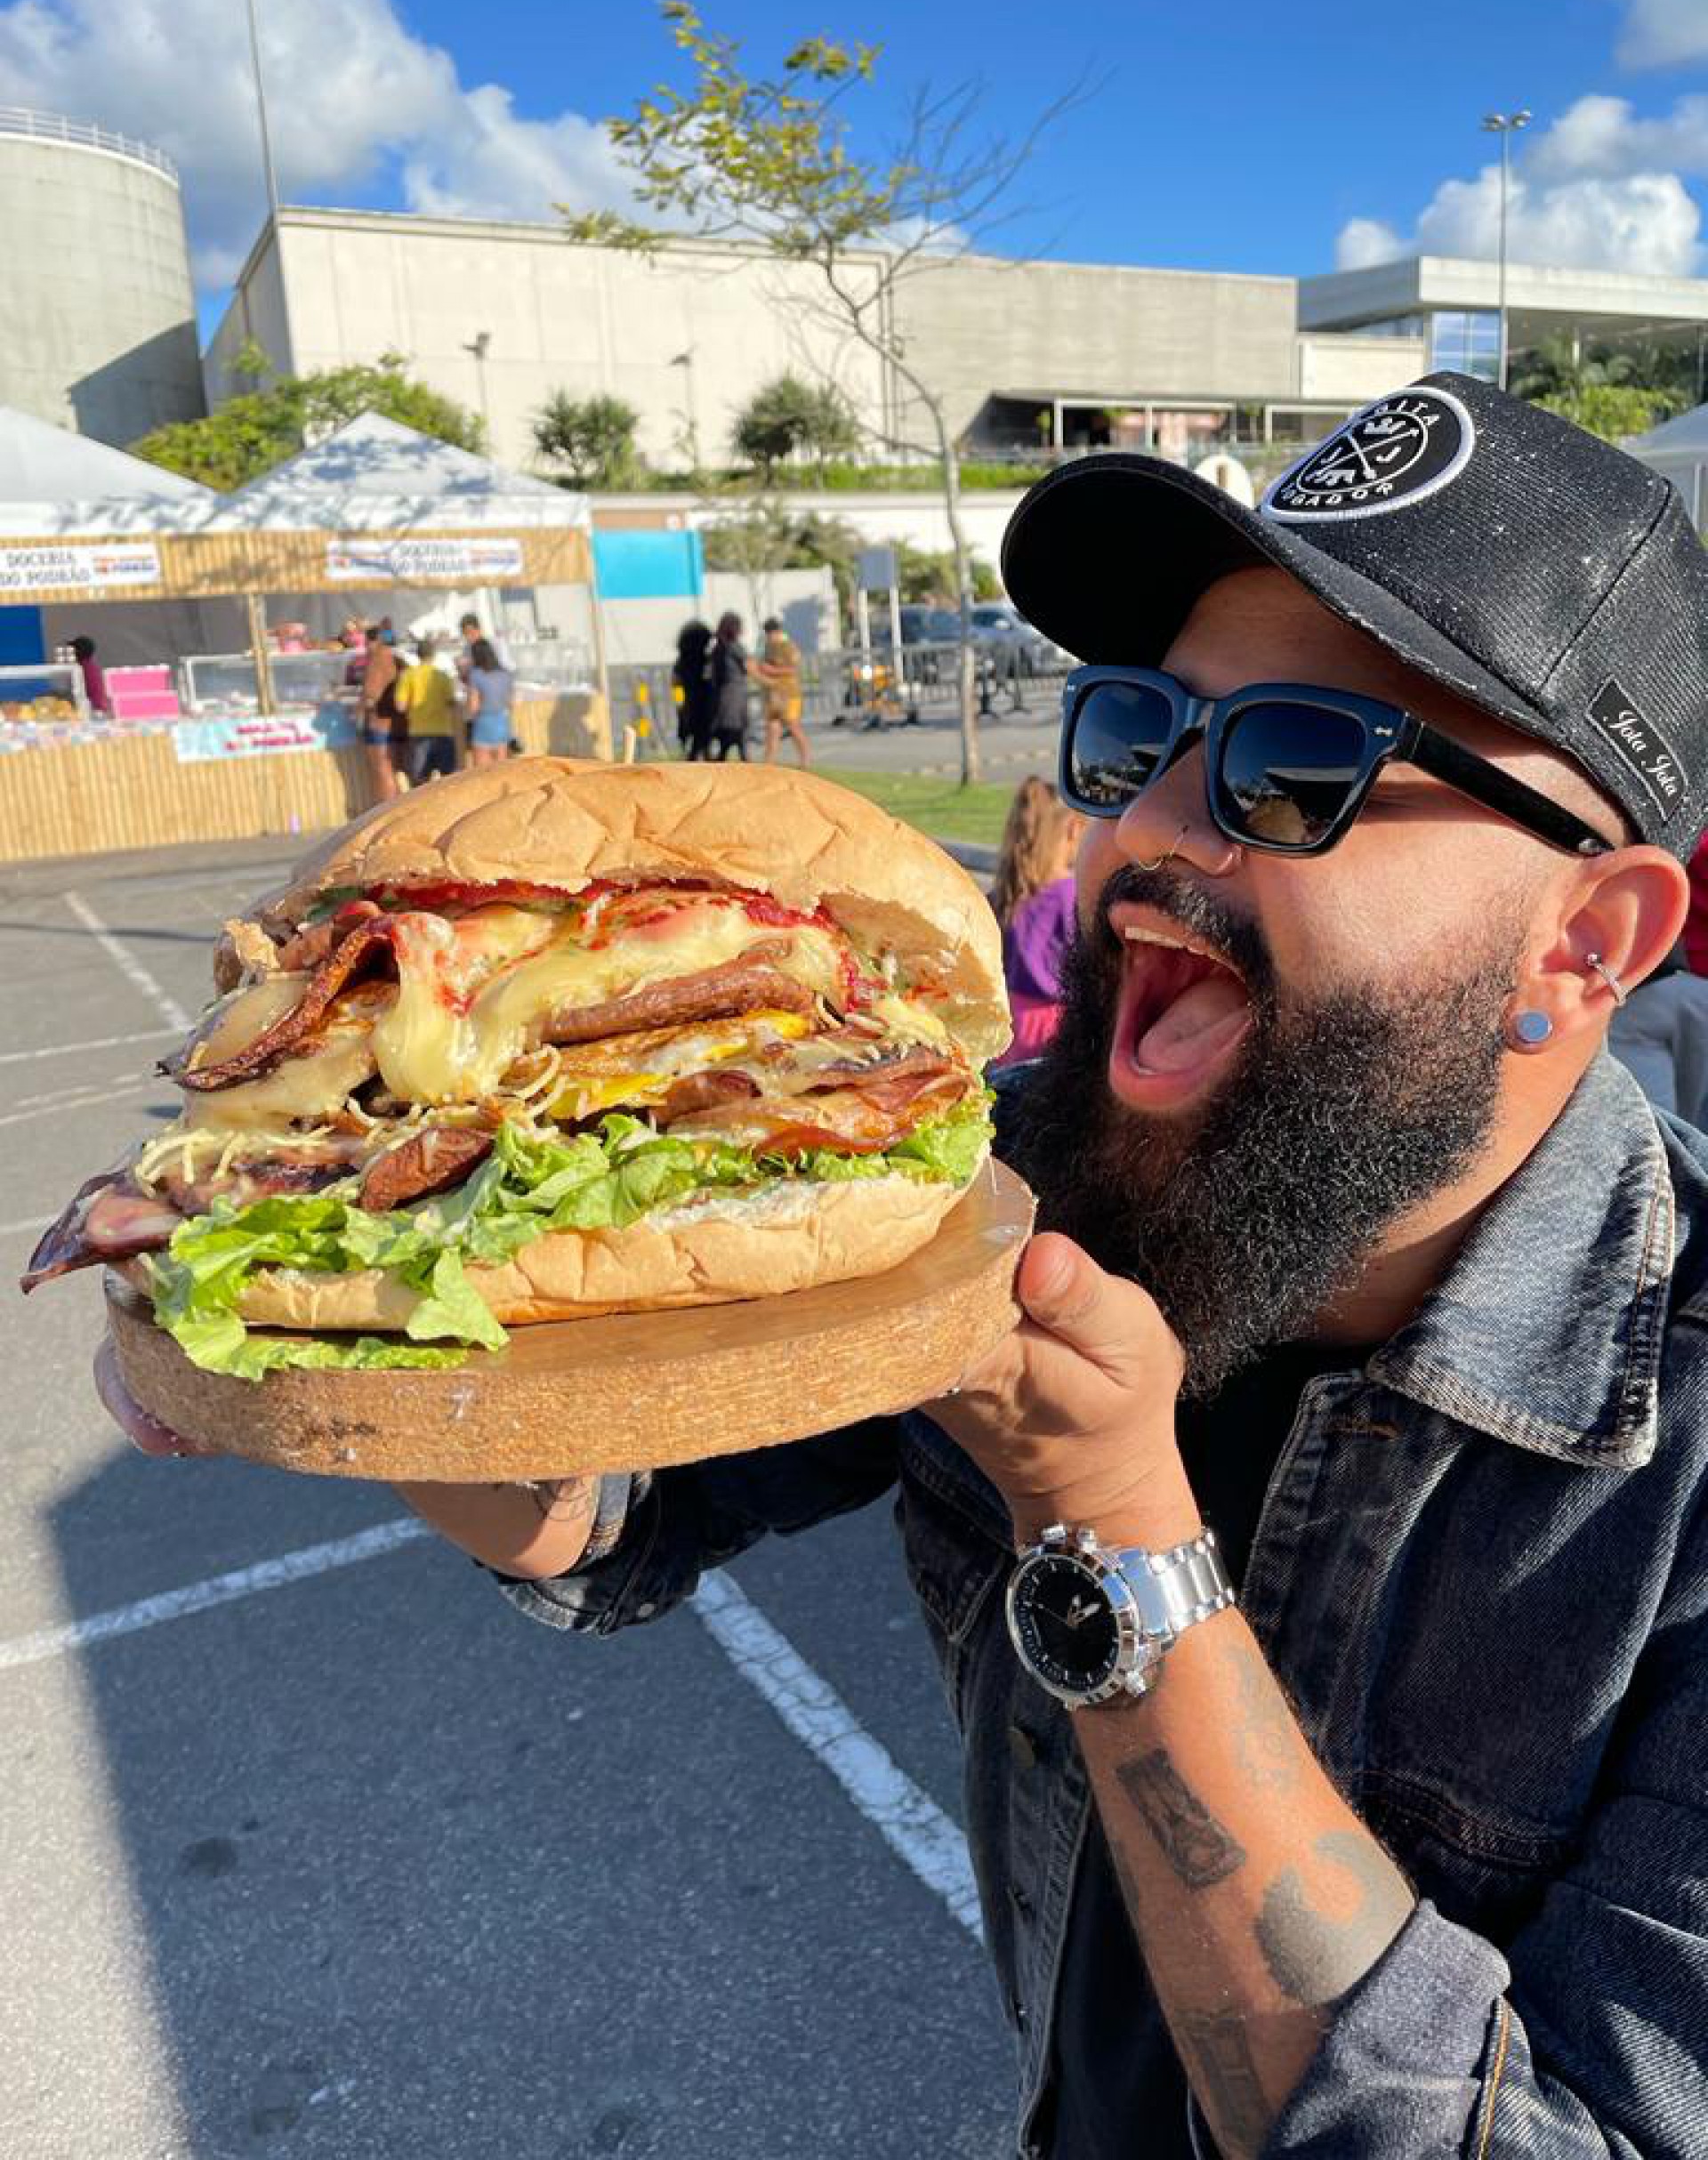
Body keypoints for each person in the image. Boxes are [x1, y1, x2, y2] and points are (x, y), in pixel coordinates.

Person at [97, 376, 1708, 2159]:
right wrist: (341, 1319)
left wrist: (1116, 1524)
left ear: (1582, 943)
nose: (1155, 828)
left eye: (1298, 764)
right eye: (1136, 731)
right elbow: (615, 1507)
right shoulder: (991, 1174)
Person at [988, 776, 1084, 1066]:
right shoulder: (1072, 897)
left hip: (1007, 1025)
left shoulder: (1005, 893)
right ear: (1073, 830)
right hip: (1055, 1031)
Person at [393, 637, 459, 785]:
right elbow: (451, 703)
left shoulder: (408, 675)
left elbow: (400, 706)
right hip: (442, 731)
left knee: (419, 783)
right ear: (433, 655)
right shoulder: (442, 676)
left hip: (419, 732)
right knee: (449, 781)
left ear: (418, 655)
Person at [754, 614, 810, 767]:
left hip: (789, 693)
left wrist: (770, 670)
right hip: (773, 694)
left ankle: (805, 761)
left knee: (793, 727)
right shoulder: (768, 646)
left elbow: (793, 670)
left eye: (769, 634)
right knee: (773, 729)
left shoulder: (787, 645)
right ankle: (769, 763)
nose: (768, 637)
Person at [358, 623, 404, 803]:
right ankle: (398, 810)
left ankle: (389, 813)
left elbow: (371, 695)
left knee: (382, 769)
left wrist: (358, 710)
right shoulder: (395, 658)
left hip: (379, 723)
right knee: (392, 770)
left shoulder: (377, 659)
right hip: (396, 722)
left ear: (371, 642)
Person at [464, 636, 515, 769]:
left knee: (481, 774)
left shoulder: (476, 675)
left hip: (484, 723)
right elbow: (511, 703)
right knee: (501, 772)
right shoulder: (505, 674)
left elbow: (473, 707)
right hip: (502, 723)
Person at [708, 610, 750, 762]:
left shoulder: (718, 647)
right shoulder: (734, 647)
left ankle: (723, 759)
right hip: (734, 693)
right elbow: (749, 666)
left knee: (727, 730)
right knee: (736, 729)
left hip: (722, 693)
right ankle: (743, 760)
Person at [672, 618, 715, 761]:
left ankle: (694, 757)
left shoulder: (682, 661)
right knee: (701, 737)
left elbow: (676, 683)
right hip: (701, 702)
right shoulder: (706, 660)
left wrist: (679, 704)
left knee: (693, 737)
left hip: (689, 702)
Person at [69, 635, 111, 718]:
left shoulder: (82, 668)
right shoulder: (91, 666)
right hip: (98, 709)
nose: (71, 653)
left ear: (78, 651)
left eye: (73, 650)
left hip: (93, 711)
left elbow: (83, 691)